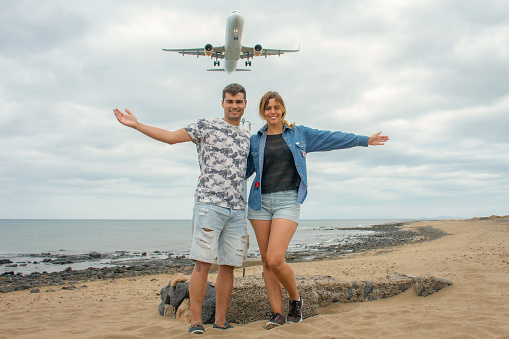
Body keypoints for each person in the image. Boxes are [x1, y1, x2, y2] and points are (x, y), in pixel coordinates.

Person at [113, 83, 250, 334]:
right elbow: (170, 137)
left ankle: (220, 321)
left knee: (229, 266)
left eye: (239, 101)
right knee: (202, 265)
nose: (234, 106)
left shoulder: (246, 136)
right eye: (230, 101)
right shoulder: (206, 125)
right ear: (222, 103)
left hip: (238, 209)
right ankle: (196, 322)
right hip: (209, 204)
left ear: (245, 104)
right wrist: (137, 124)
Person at [246, 91, 389, 329]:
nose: (272, 111)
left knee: (275, 258)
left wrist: (363, 140)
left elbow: (331, 138)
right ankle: (277, 314)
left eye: (276, 107)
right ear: (262, 112)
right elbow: (244, 170)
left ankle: (295, 299)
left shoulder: (299, 134)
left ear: (283, 109)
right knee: (265, 263)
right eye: (268, 108)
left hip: (287, 201)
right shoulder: (255, 140)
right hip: (260, 203)